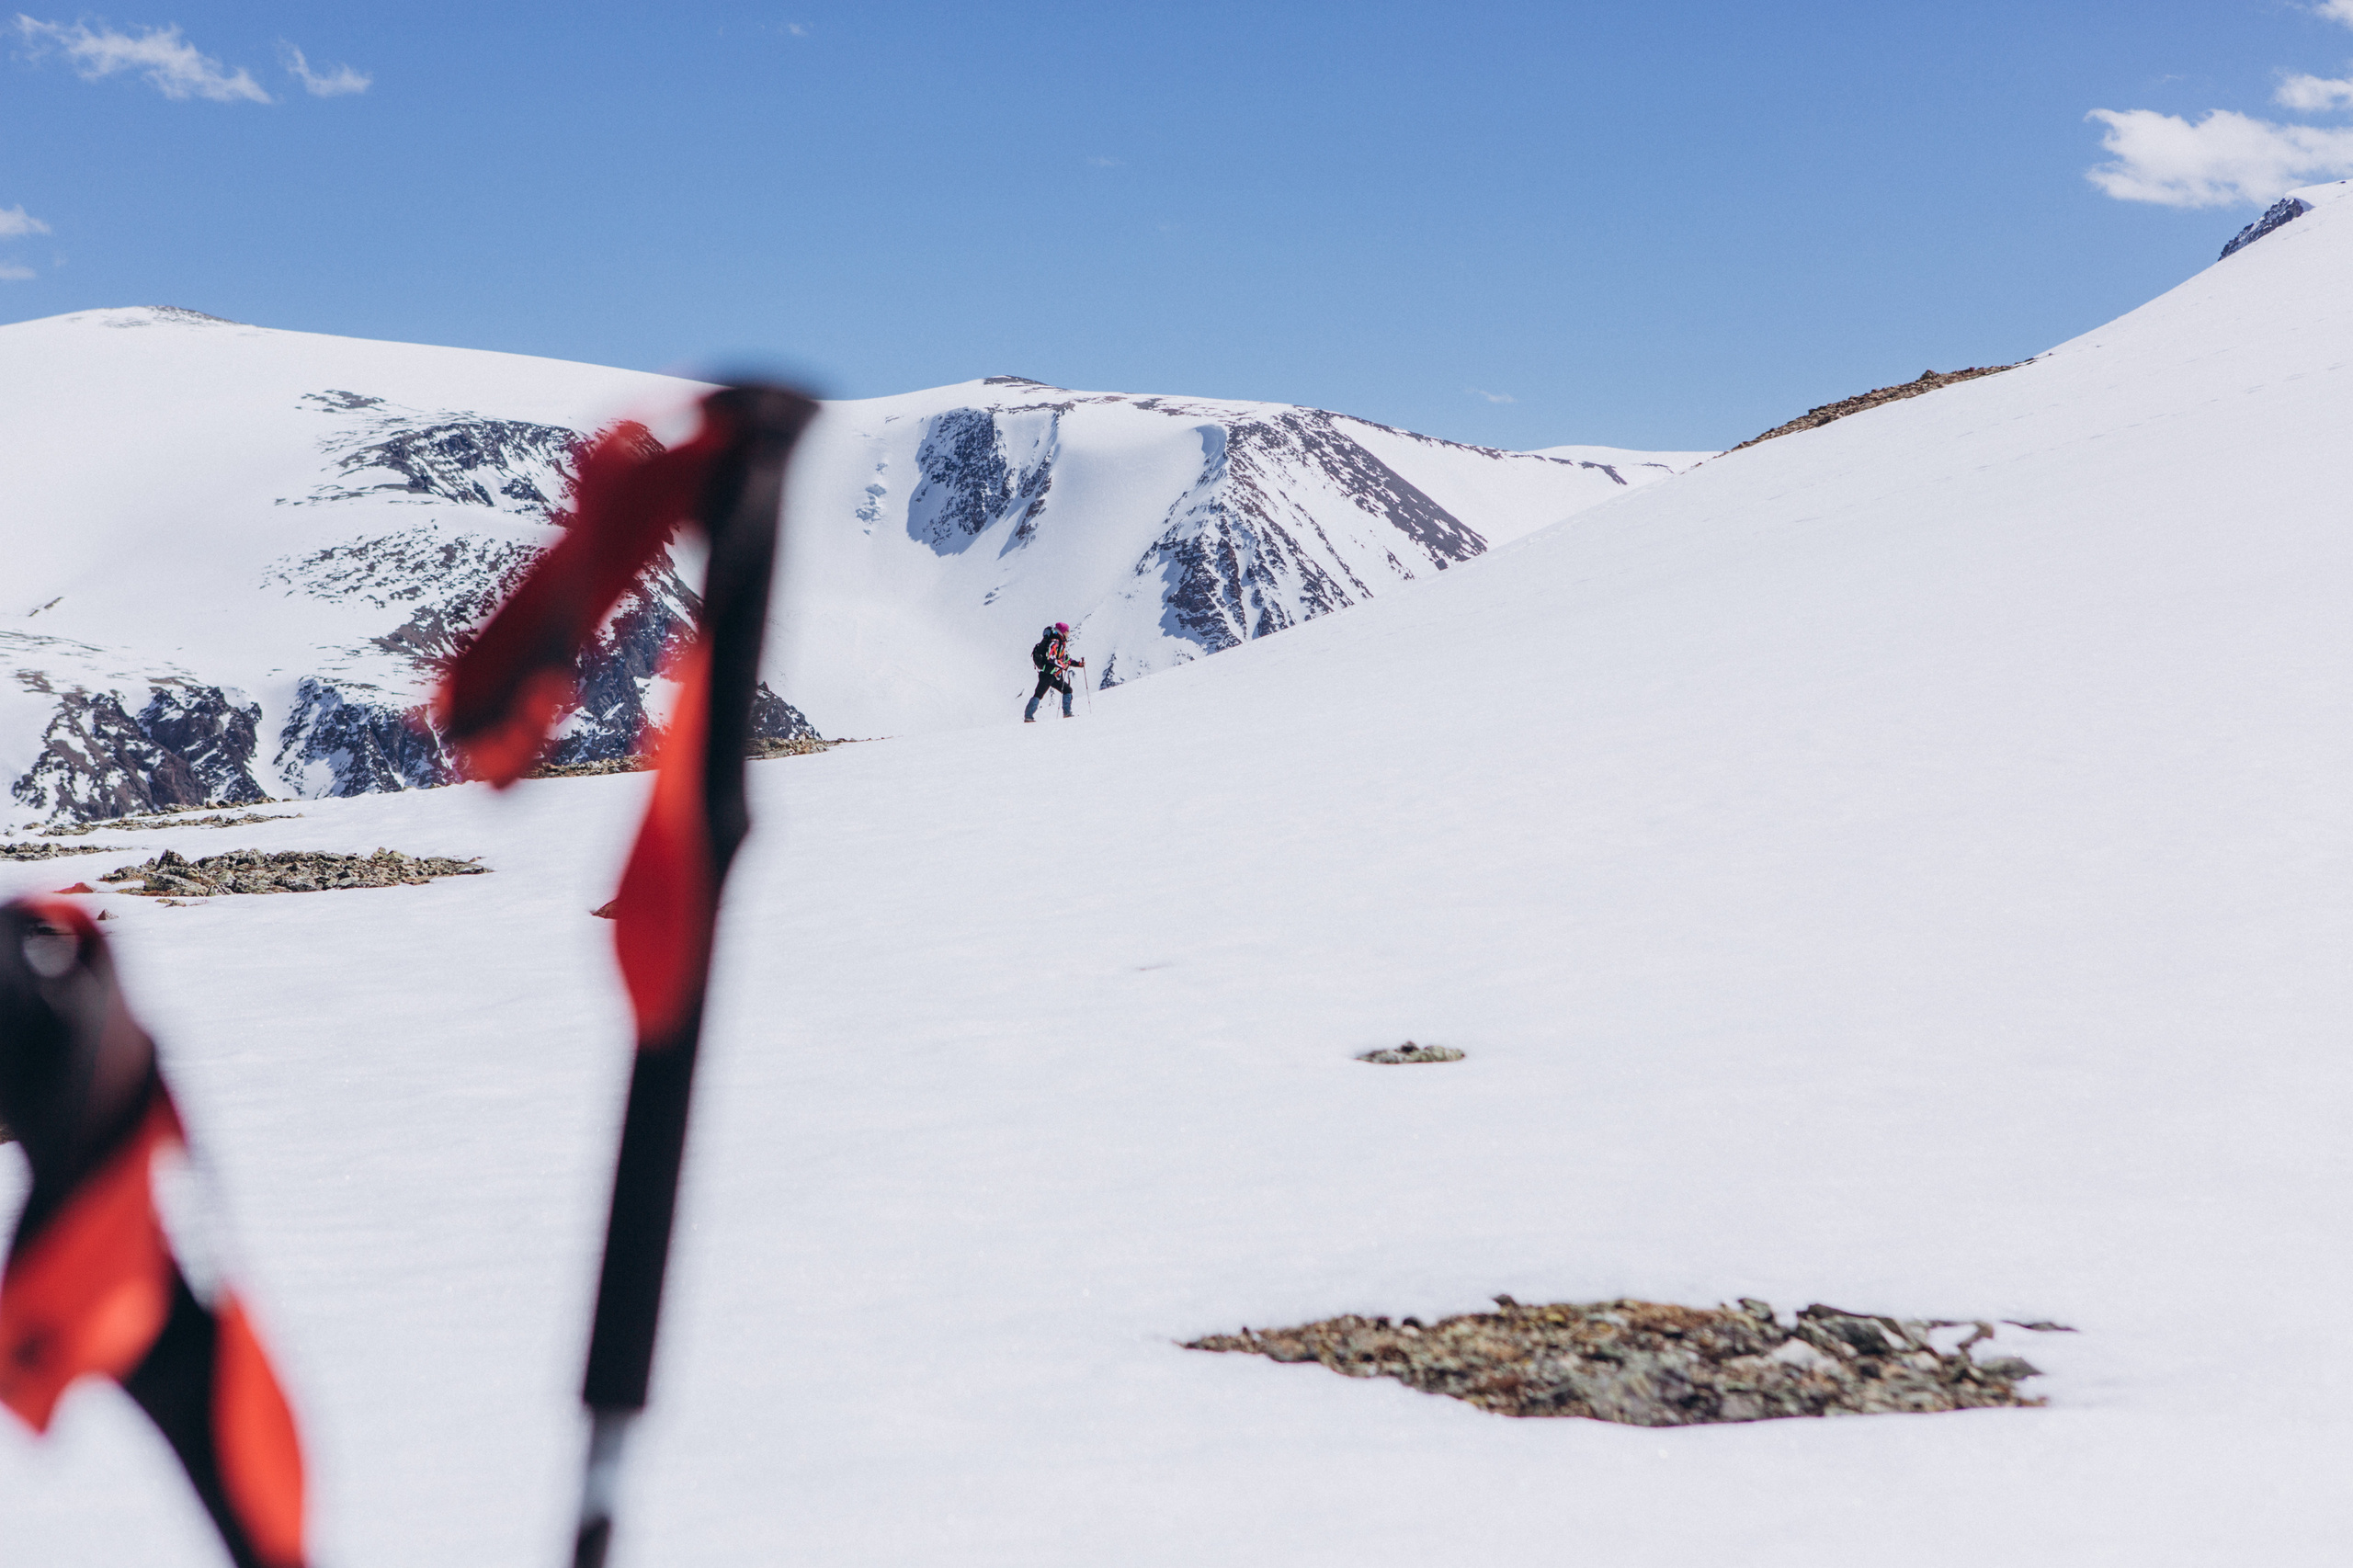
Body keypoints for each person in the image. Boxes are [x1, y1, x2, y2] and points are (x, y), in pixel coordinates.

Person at [1024, 621, 1085, 721]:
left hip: (1053, 674)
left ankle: (1067, 713)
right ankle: (1028, 716)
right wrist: (1063, 665)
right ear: (1063, 631)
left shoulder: (1060, 643)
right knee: (1039, 694)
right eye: (1067, 630)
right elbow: (1051, 658)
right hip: (1048, 674)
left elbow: (1066, 659)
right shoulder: (1055, 642)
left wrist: (1078, 664)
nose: (1069, 632)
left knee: (1067, 690)